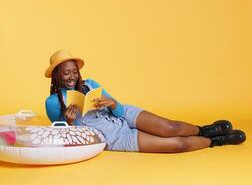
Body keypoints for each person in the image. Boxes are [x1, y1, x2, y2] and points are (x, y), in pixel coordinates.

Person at [44, 49, 246, 153]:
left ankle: (204, 129)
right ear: (56, 76)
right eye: (66, 74)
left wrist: (113, 104)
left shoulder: (91, 83)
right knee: (177, 145)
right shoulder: (52, 102)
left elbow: (118, 105)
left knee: (170, 127)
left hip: (123, 115)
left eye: (74, 72)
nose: (71, 77)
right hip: (116, 137)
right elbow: (61, 137)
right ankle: (215, 142)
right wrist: (69, 121)